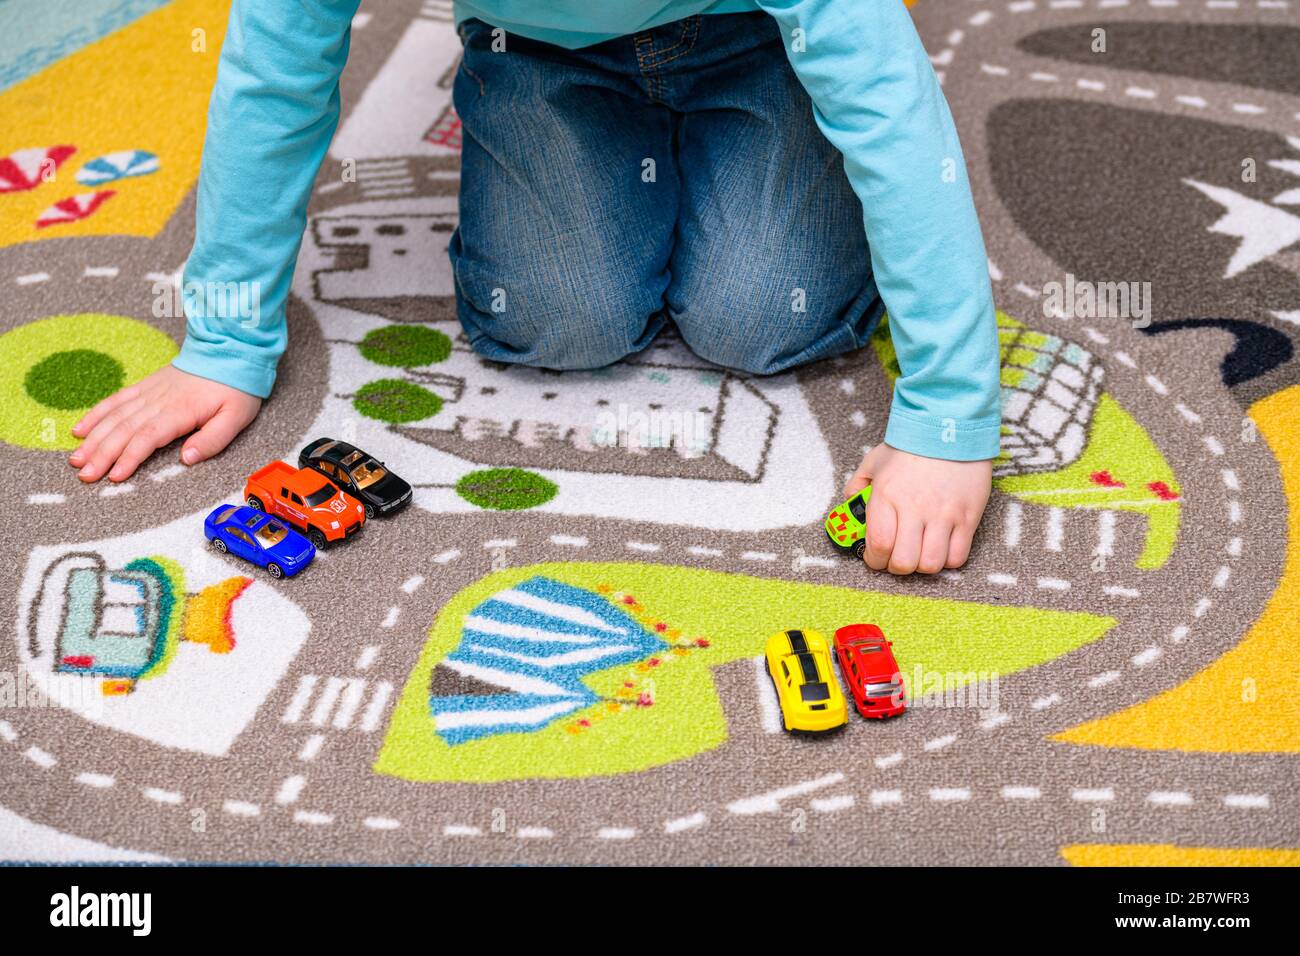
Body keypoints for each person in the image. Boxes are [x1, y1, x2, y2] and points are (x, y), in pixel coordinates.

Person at [69, 0, 1001, 576]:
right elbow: (273, 79)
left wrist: (948, 418)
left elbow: (892, 112)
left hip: (755, 36)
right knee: (560, 319)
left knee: (760, 316)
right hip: (536, 50)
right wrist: (227, 341)